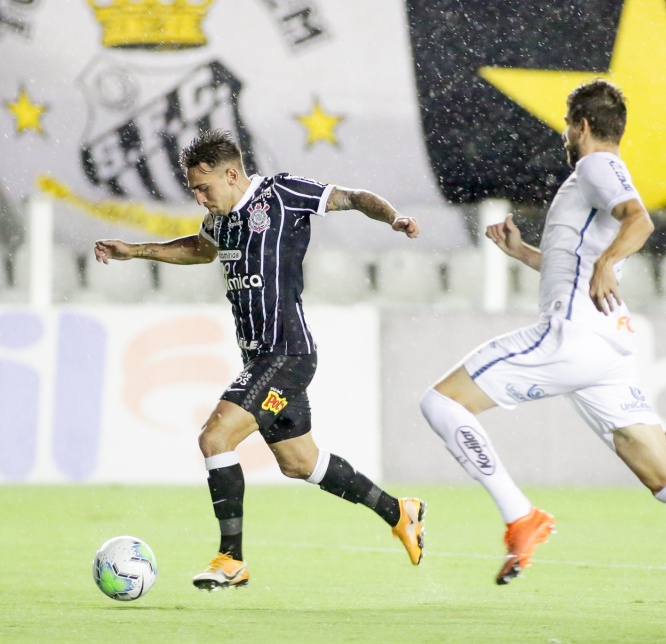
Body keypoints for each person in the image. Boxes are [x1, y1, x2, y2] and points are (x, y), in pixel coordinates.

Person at [419, 80, 666, 637]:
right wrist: (521, 252)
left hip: (570, 337)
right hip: (603, 350)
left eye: (566, 125)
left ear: (580, 126)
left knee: (438, 402)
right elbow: (574, 264)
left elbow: (639, 220)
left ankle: (520, 516)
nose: (565, 134)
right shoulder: (589, 181)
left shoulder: (595, 167)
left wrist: (608, 262)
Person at [94, 129, 426, 590]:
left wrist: (393, 218)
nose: (198, 198)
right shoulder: (223, 221)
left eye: (203, 187)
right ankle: (398, 511)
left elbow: (352, 197)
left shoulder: (282, 194)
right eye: (193, 189)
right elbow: (200, 248)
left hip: (287, 354)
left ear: (232, 174)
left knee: (215, 438)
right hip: (260, 360)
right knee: (300, 463)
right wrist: (138, 250)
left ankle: (231, 559)